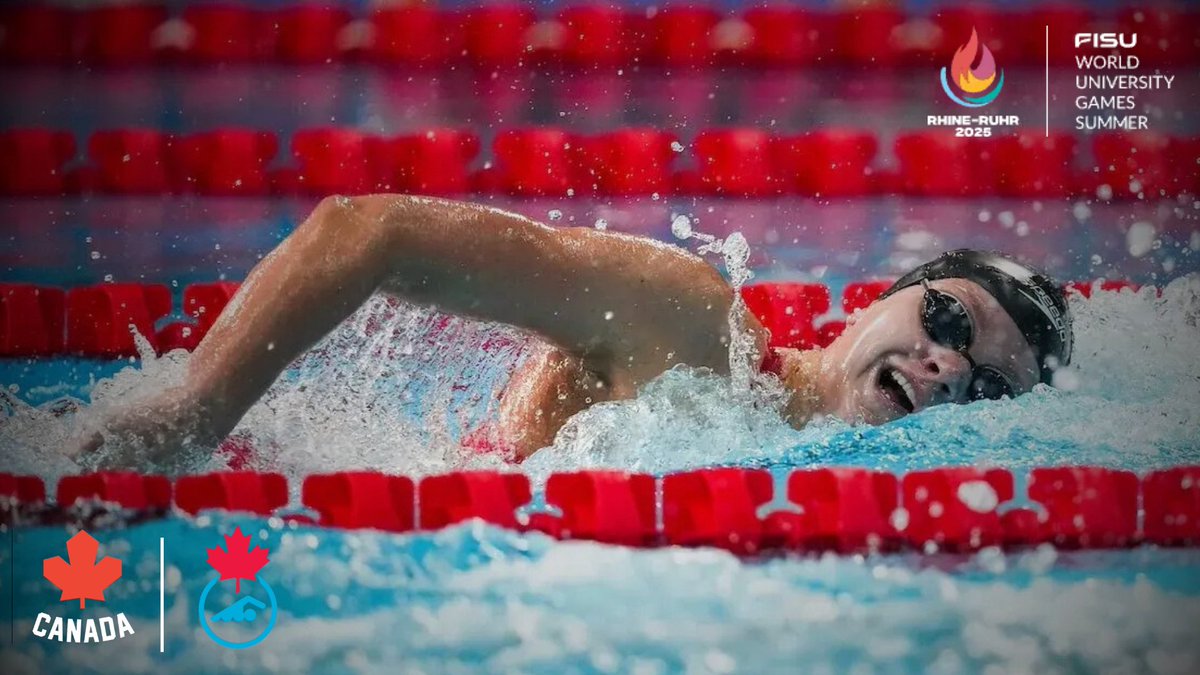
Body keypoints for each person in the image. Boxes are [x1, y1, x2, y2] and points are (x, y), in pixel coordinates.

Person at [73, 194, 1073, 467]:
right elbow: (369, 230)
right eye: (949, 318)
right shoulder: (693, 324)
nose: (947, 366)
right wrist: (195, 412)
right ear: (886, 295)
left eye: (985, 383)